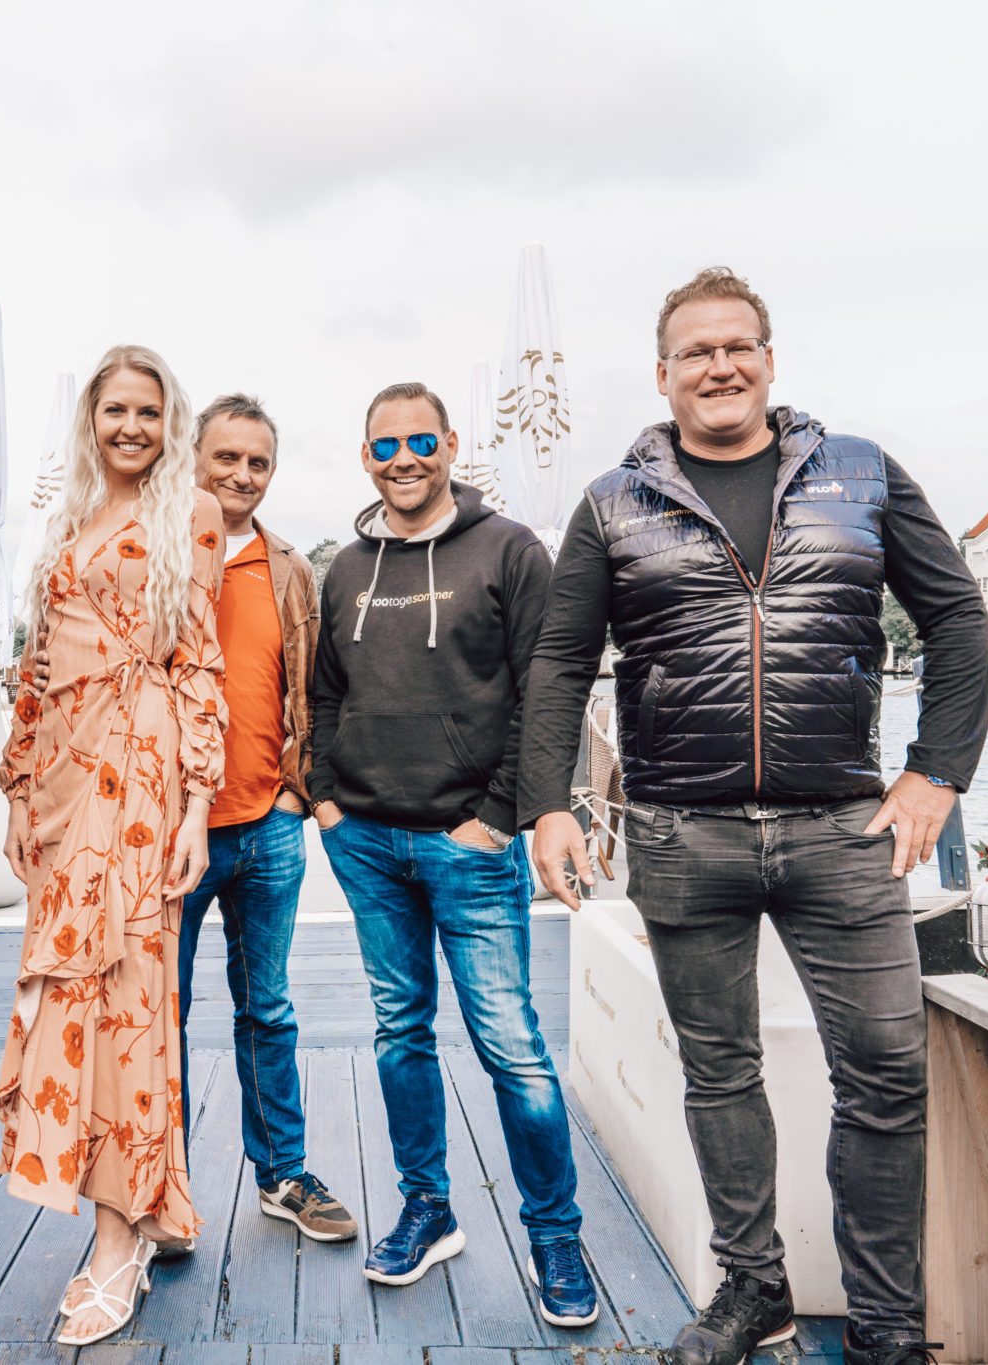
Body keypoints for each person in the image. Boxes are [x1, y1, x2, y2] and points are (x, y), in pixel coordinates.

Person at [520, 267, 988, 1365]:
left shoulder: (860, 473)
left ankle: (885, 1324)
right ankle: (753, 1289)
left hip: (844, 831)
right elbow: (558, 662)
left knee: (884, 1073)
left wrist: (935, 773)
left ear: (769, 362)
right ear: (662, 375)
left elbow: (958, 620)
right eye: (696, 351)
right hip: (684, 834)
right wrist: (545, 805)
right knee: (719, 1074)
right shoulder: (611, 503)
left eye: (738, 347)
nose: (719, 366)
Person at [308, 382, 599, 1329]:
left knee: (511, 1046)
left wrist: (500, 814)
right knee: (400, 1031)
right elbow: (323, 691)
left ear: (451, 445)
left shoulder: (509, 549)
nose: (405, 458)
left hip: (469, 844)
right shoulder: (345, 567)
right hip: (366, 841)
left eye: (421, 441)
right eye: (385, 444)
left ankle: (554, 1234)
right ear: (366, 456)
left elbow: (545, 688)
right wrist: (325, 794)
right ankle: (427, 1208)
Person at [0, 344, 227, 1347]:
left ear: (169, 423)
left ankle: (119, 1239)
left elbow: (198, 665)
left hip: (137, 782)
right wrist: (17, 789)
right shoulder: (69, 518)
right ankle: (135, 1211)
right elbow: (37, 664)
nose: (130, 426)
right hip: (60, 785)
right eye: (114, 409)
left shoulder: (191, 515)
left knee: (129, 1001)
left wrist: (195, 808)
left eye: (147, 411)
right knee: (68, 999)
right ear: (91, 418)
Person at [173, 394, 357, 1247]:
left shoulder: (288, 567)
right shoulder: (160, 551)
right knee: (156, 1014)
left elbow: (311, 689)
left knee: (268, 1008)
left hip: (267, 827)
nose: (242, 474)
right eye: (227, 457)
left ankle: (282, 1172)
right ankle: (161, 1186)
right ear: (194, 457)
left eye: (257, 462)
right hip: (166, 835)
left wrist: (294, 791)